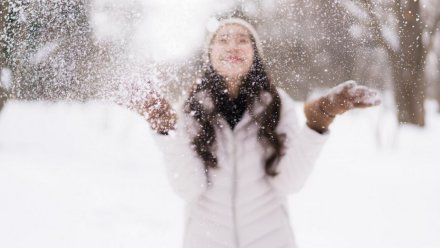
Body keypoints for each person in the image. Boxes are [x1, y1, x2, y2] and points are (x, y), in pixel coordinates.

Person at [136, 17, 380, 248]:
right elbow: (188, 188)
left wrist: (319, 122)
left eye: (243, 40)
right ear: (209, 54)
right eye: (222, 40)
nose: (233, 45)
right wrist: (165, 130)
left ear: (255, 54)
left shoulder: (278, 104)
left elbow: (289, 182)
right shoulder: (191, 109)